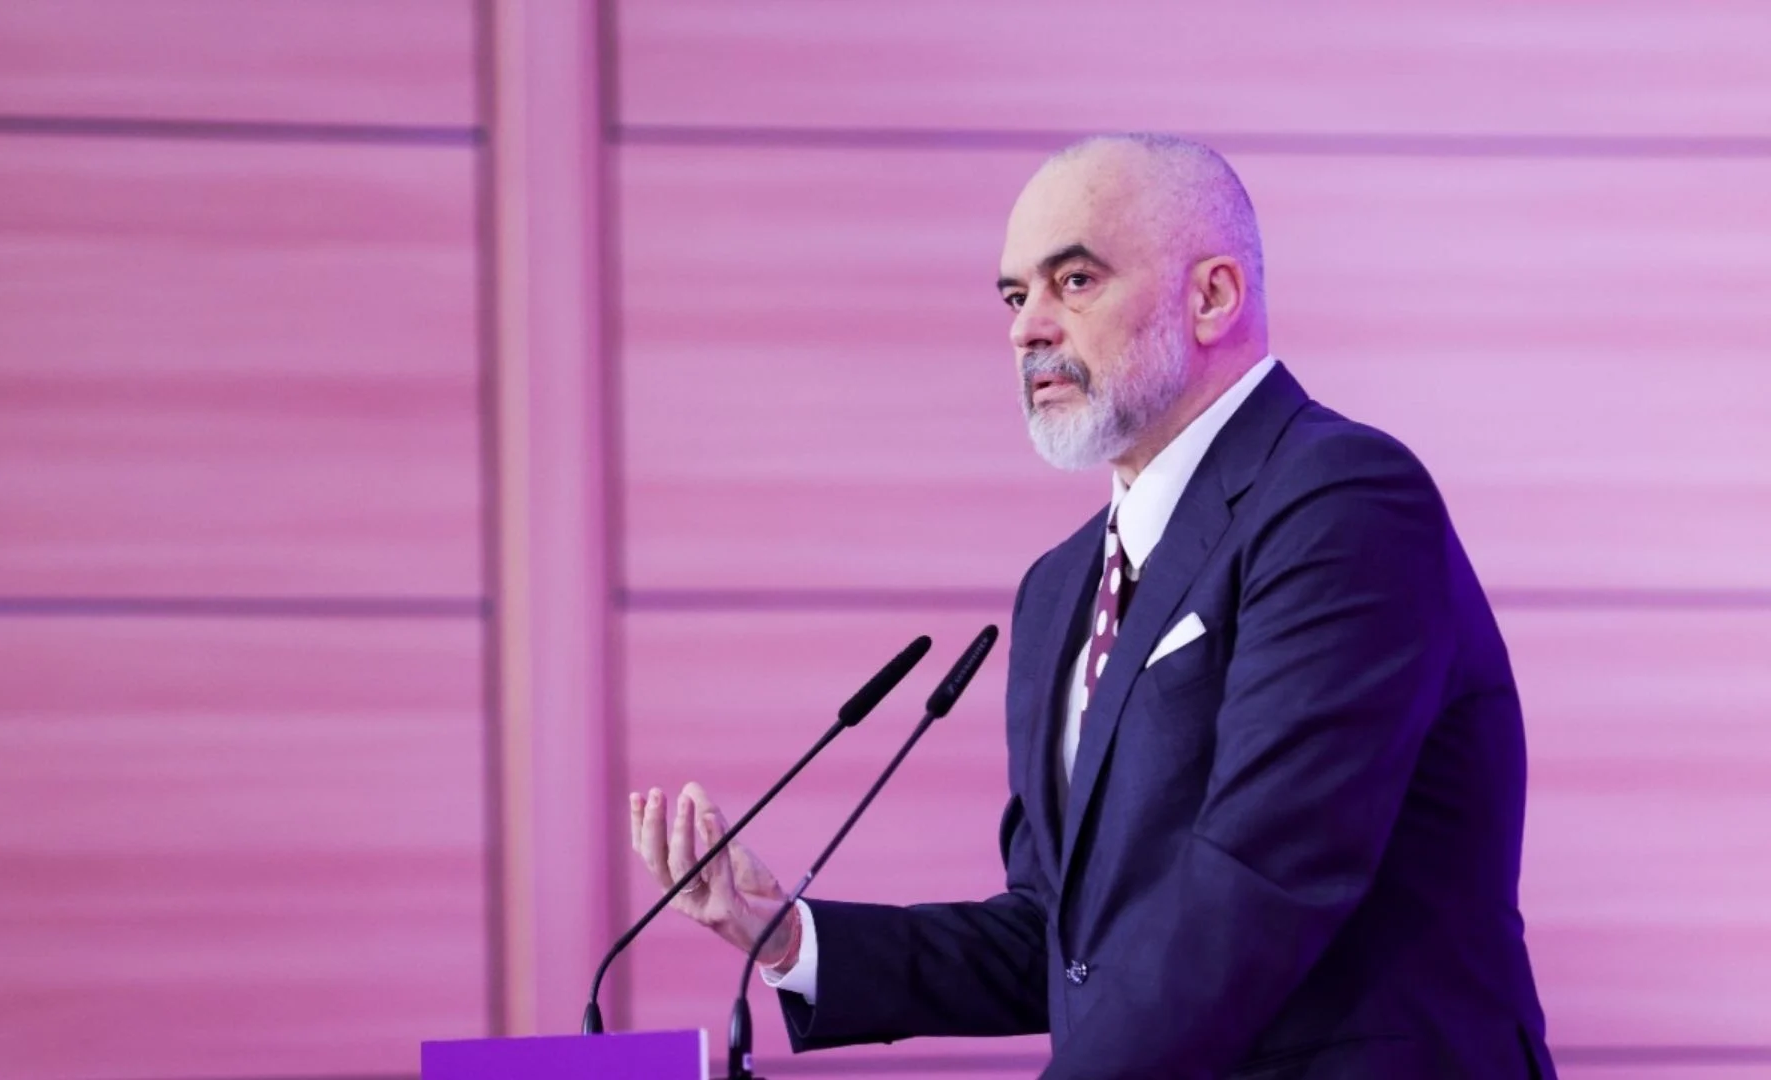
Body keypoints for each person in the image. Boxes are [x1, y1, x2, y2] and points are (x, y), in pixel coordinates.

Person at [628, 133, 1555, 1079]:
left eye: (1074, 282)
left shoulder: (1340, 500)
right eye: (1013, 296)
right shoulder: (1060, 587)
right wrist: (789, 937)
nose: (1027, 329)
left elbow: (1260, 882)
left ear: (1212, 296)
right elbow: (1061, 936)